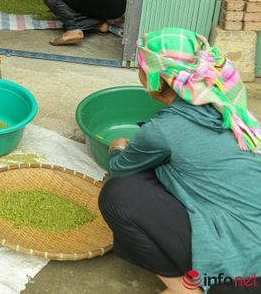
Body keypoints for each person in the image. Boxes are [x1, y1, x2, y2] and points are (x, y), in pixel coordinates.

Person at [99, 28, 261, 294]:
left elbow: (119, 168)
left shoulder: (163, 130)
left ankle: (184, 289)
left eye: (141, 68)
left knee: (118, 194)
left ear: (157, 80)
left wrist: (118, 147)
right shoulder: (230, 107)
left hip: (242, 278)